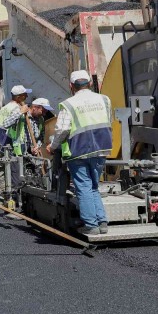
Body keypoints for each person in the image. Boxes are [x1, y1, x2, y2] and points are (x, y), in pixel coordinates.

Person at [46, 70, 112, 235]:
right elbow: (108, 120)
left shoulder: (69, 104)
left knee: (83, 187)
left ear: (71, 86)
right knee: (94, 186)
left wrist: (53, 146)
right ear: (90, 83)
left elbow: (62, 129)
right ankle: (102, 221)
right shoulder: (104, 99)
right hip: (101, 148)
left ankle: (92, 226)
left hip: (79, 151)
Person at [0, 85, 31, 215]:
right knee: (13, 174)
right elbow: (6, 124)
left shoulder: (6, 107)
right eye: (25, 95)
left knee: (3, 172)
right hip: (12, 146)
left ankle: (3, 199)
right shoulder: (14, 108)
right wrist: (20, 112)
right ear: (19, 97)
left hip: (5, 145)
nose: (27, 97)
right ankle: (11, 201)